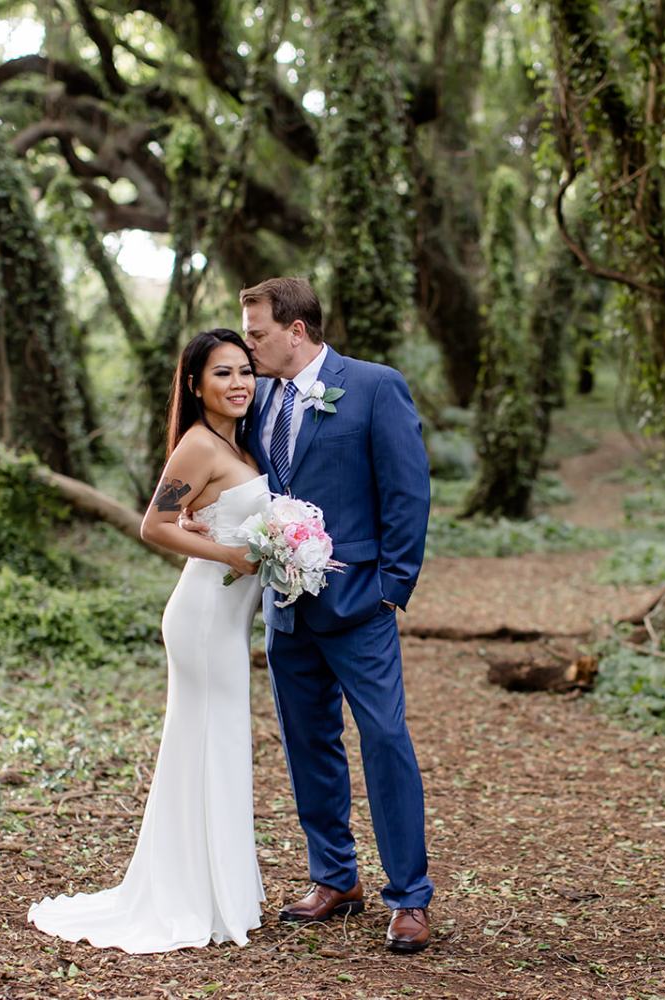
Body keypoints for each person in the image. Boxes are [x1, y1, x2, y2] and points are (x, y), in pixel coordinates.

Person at [27, 329, 269, 952]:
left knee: (218, 742)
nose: (239, 383)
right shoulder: (196, 444)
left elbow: (203, 511)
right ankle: (192, 896)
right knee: (205, 740)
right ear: (195, 384)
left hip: (226, 614)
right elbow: (154, 524)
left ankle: (217, 891)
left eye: (245, 370)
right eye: (222, 374)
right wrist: (228, 554)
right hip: (203, 613)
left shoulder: (233, 442)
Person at [236, 276, 434, 953]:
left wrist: (390, 589)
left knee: (384, 739)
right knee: (306, 743)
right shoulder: (256, 399)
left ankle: (409, 897)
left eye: (258, 332)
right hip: (285, 610)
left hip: (359, 604)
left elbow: (407, 490)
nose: (249, 344)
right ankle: (333, 876)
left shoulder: (374, 386)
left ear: (296, 330)